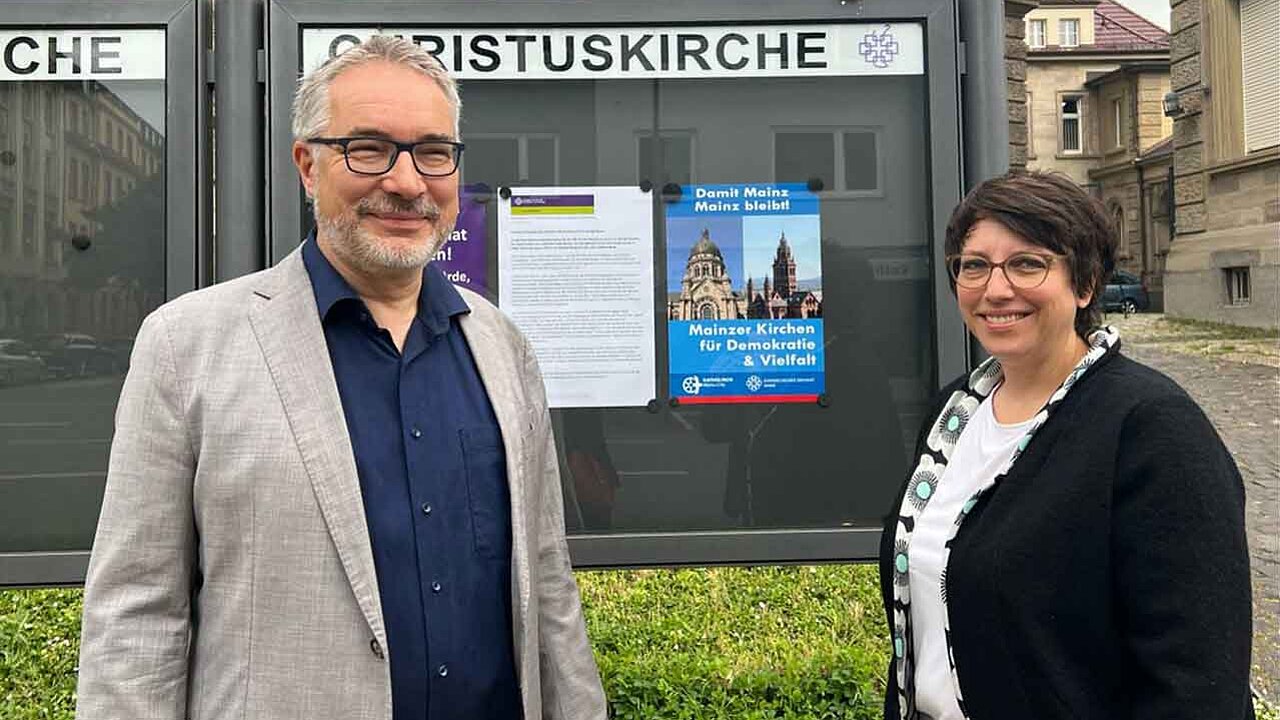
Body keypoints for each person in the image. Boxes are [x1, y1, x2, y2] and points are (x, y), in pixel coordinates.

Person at [76, 35, 606, 720]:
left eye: (432, 152)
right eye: (368, 148)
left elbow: (548, 585)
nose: (407, 182)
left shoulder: (503, 348)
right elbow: (136, 611)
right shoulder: (187, 346)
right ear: (307, 164)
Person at [878, 171, 1253, 720]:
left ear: (1085, 284)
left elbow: (1198, 680)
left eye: (1028, 263)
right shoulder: (954, 413)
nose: (995, 288)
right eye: (974, 265)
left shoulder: (1151, 428)